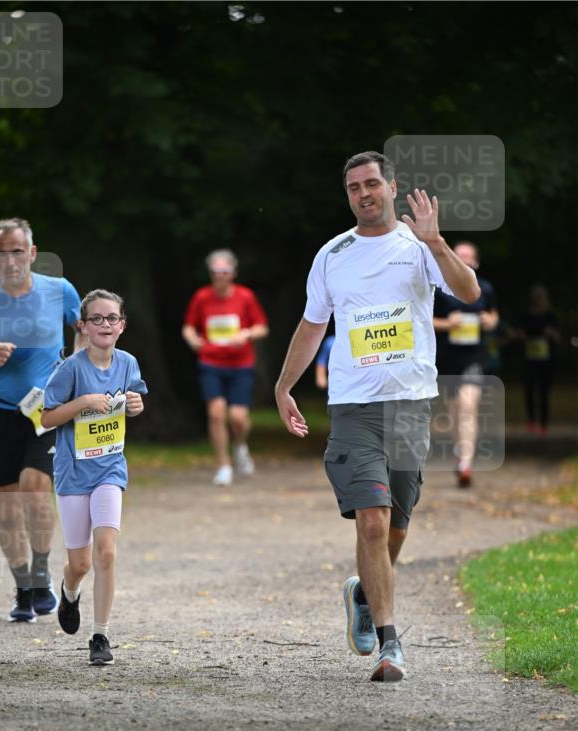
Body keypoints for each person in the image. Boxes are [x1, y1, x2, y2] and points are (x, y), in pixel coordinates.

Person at [275, 151, 479, 682]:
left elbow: (469, 292)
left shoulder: (419, 247)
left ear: (391, 186)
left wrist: (436, 242)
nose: (363, 193)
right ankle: (391, 645)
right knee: (372, 518)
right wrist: (284, 385)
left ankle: (364, 594)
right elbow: (312, 325)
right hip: (353, 406)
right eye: (354, 187)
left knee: (397, 528)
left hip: (410, 404)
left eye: (371, 183)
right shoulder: (332, 255)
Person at [0, 217, 81, 623]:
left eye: (18, 251)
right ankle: (24, 588)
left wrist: (76, 369)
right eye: (2, 252)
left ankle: (42, 576)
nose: (10, 260)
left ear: (33, 253)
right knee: (8, 506)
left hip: (46, 411)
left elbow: (86, 330)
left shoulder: (59, 290)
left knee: (35, 486)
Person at [41, 289, 147, 666]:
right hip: (73, 473)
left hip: (109, 469)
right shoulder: (70, 368)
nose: (105, 324)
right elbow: (47, 418)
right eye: (96, 319)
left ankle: (100, 635)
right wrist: (84, 402)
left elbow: (135, 402)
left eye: (111, 318)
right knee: (81, 564)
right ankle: (69, 592)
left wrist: (135, 405)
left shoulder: (128, 363)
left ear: (122, 325)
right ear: (83, 326)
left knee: (106, 551)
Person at [182, 249, 269, 486]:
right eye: (215, 272)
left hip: (241, 364)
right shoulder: (202, 297)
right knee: (216, 413)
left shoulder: (245, 296)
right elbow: (188, 327)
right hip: (211, 362)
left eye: (224, 271)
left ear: (233, 273)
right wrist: (192, 339)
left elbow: (262, 327)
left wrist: (246, 334)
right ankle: (223, 465)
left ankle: (240, 446)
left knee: (238, 418)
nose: (219, 276)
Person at [433, 241, 499, 487]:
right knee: (455, 412)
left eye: (468, 256)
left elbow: (494, 316)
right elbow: (424, 321)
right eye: (458, 255)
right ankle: (461, 453)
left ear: (476, 263)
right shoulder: (439, 289)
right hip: (447, 357)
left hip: (475, 356)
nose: (463, 260)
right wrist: (448, 324)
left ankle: (466, 464)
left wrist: (489, 321)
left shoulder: (485, 288)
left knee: (468, 405)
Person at [514, 284, 561, 435]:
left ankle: (543, 424)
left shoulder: (551, 316)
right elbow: (519, 334)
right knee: (529, 391)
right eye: (537, 298)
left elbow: (558, 337)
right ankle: (531, 421)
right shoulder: (526, 316)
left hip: (546, 361)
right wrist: (521, 336)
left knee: (543, 393)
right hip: (530, 359)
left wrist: (551, 333)